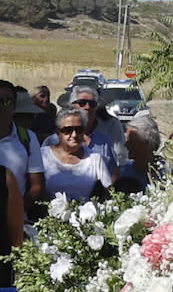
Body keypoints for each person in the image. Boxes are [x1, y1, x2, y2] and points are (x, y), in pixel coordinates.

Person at [42, 107, 113, 203]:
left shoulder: (95, 159)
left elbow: (108, 191)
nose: (74, 134)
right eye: (68, 130)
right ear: (58, 132)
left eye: (79, 129)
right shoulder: (42, 156)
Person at [0, 78, 45, 219]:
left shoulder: (28, 138)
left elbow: (37, 186)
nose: (2, 106)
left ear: (14, 107)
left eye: (7, 101)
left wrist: (15, 212)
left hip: (14, 222)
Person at [68, 89, 128, 180]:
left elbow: (119, 162)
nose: (87, 107)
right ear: (73, 107)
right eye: (82, 103)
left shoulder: (105, 139)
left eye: (92, 104)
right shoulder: (56, 140)